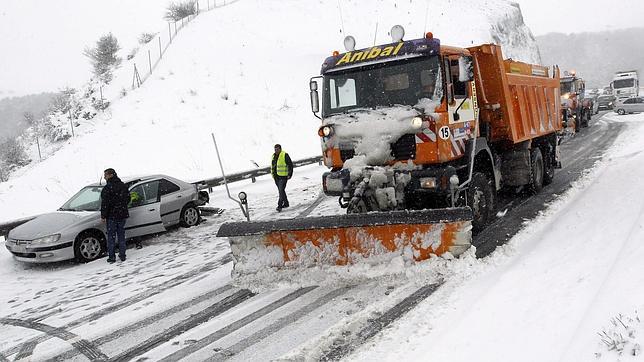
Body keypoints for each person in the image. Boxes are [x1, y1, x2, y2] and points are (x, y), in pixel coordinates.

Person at [101, 168, 130, 263]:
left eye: (105, 175)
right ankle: (122, 255)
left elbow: (105, 203)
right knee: (121, 235)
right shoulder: (122, 185)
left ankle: (112, 256)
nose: (104, 177)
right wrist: (122, 206)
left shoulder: (107, 188)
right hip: (122, 214)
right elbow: (128, 199)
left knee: (111, 237)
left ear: (110, 175)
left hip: (112, 216)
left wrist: (103, 216)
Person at [271, 144, 293, 212]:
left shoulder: (285, 155)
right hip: (276, 177)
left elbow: (290, 165)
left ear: (280, 149)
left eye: (277, 149)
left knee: (281, 191)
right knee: (281, 191)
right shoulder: (273, 156)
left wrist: (289, 174)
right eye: (275, 149)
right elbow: (273, 166)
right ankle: (286, 203)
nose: (276, 151)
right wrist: (273, 175)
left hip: (283, 176)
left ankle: (279, 205)